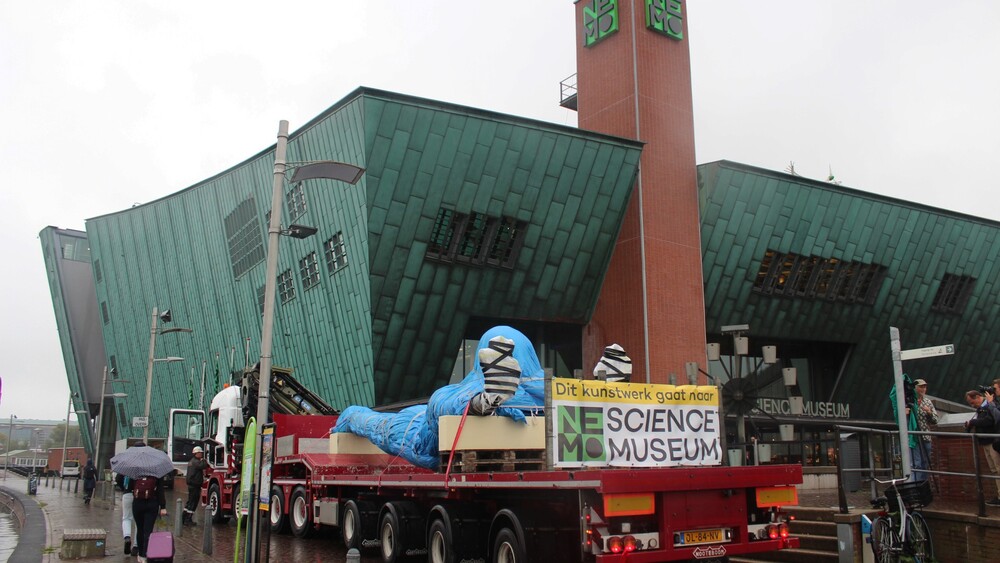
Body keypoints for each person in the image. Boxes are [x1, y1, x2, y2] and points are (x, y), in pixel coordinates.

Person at [964, 390, 1000, 505]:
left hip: (992, 442)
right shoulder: (981, 409)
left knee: (998, 469)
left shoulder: (989, 406)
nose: (972, 405)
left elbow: (989, 421)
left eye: (972, 402)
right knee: (994, 470)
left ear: (979, 397)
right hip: (986, 442)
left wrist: (973, 422)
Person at [131, 472, 168, 562]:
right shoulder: (157, 471)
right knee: (148, 530)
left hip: (137, 503)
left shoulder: (136, 470)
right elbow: (160, 490)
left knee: (140, 529)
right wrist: (163, 507)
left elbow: (128, 484)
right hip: (152, 503)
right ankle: (145, 555)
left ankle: (140, 553)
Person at [913, 379, 939, 481]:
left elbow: (935, 420)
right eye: (921, 386)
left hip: (926, 436)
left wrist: (929, 412)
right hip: (914, 437)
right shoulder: (909, 400)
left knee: (926, 463)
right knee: (917, 463)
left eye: (925, 387)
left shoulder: (927, 401)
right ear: (915, 388)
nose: (923, 389)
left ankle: (923, 486)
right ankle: (916, 486)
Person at [183, 446, 207, 526]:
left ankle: (183, 517)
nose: (201, 454)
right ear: (196, 453)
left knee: (190, 502)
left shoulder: (191, 461)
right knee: (193, 502)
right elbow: (203, 466)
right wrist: (204, 460)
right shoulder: (196, 462)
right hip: (195, 485)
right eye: (200, 453)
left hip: (192, 485)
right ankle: (188, 519)